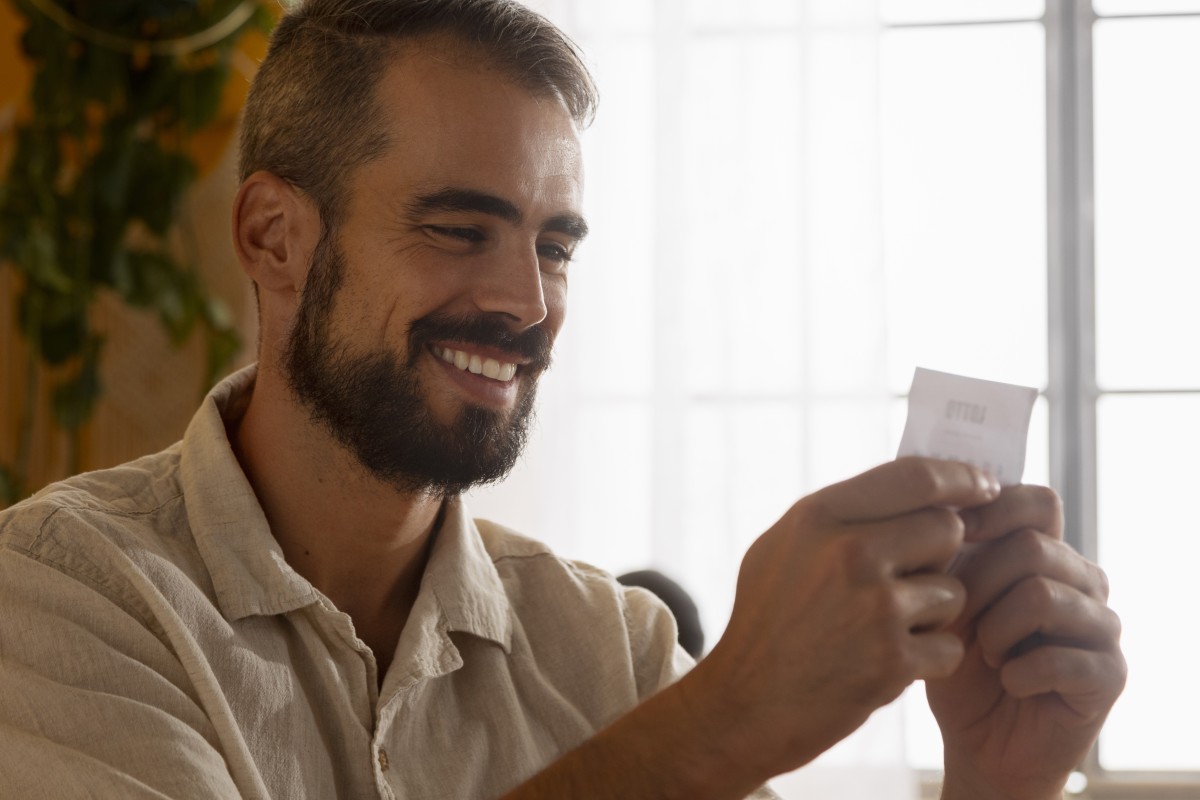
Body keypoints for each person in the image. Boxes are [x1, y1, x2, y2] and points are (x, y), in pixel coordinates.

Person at [0, 0, 1126, 798]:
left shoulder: (620, 653)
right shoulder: (58, 591)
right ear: (273, 237)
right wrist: (728, 715)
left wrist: (995, 782)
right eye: (459, 228)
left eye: (556, 245)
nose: (524, 301)